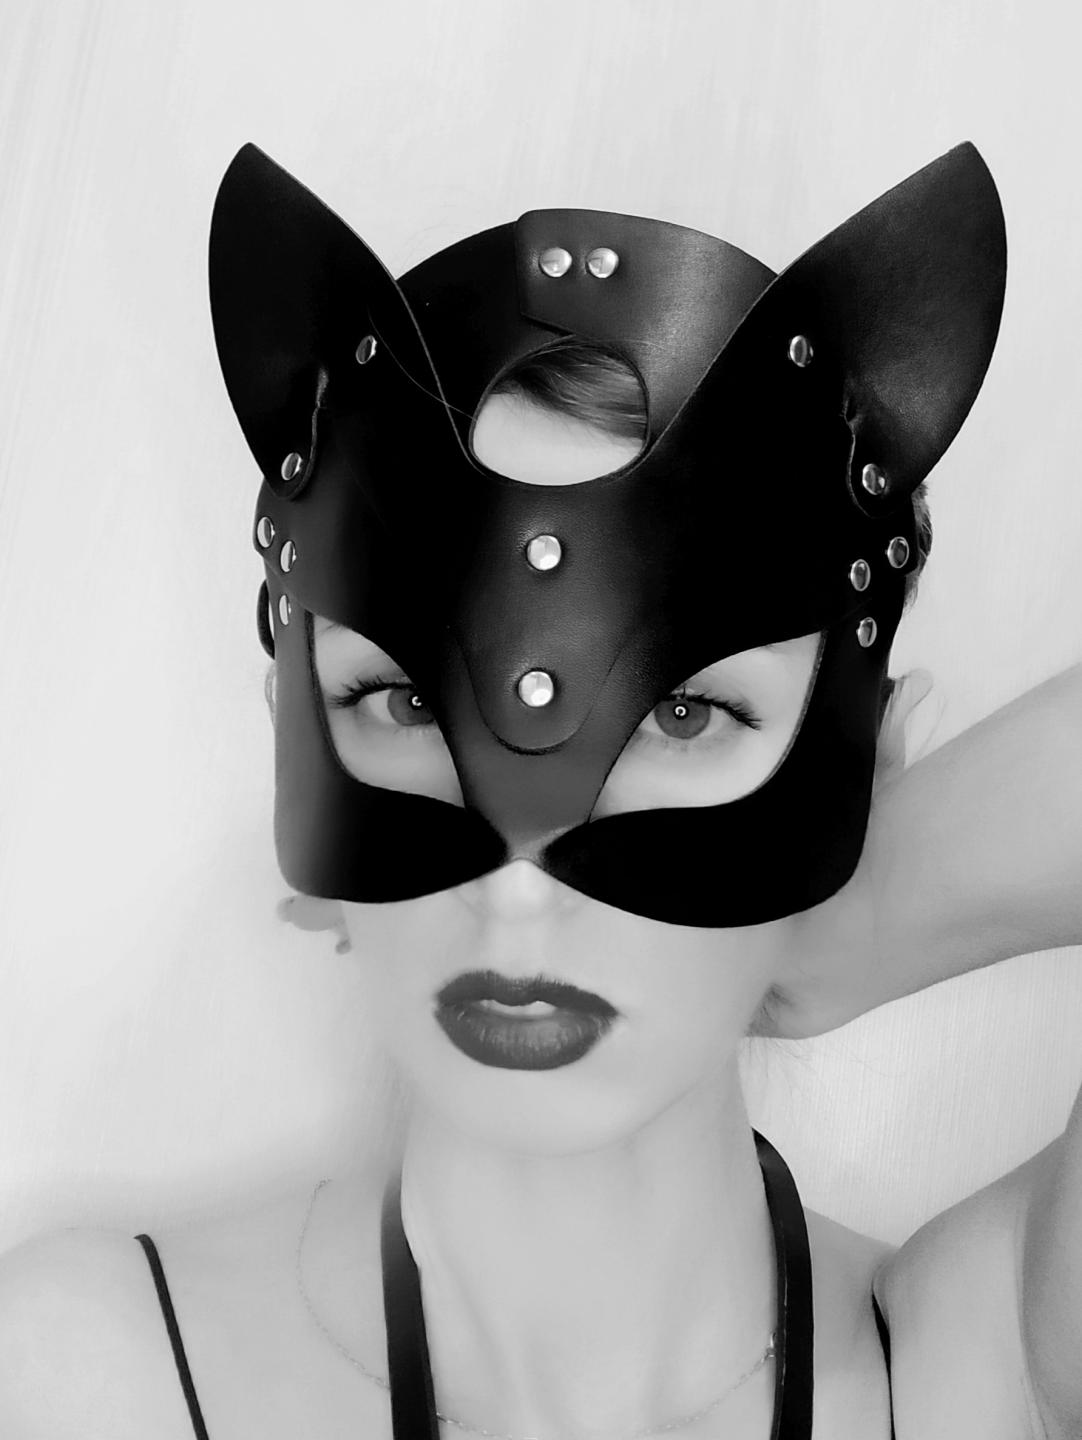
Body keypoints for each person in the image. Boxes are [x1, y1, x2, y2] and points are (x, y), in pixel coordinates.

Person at [0, 142, 1078, 1440]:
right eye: (407, 702)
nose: (517, 894)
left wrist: (849, 898)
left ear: (861, 766)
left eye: (685, 714)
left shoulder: (979, 1371)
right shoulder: (76, 1381)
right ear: (293, 733)